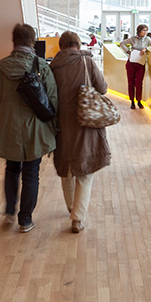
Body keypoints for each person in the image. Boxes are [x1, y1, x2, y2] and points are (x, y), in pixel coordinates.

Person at [0, 22, 57, 232]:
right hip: (35, 129)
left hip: (9, 127)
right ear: (32, 41)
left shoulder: (2, 68)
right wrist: (53, 129)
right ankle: (25, 220)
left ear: (14, 41)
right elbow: (52, 100)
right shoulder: (41, 66)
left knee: (11, 169)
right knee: (31, 173)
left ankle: (9, 212)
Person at [49, 31, 110, 233]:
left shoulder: (53, 67)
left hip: (62, 123)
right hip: (85, 121)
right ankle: (77, 217)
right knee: (85, 170)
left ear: (61, 46)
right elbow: (102, 88)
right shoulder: (87, 62)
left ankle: (70, 207)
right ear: (78, 44)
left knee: (66, 168)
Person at [123, 23, 151, 109]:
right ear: (139, 31)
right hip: (131, 63)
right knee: (131, 83)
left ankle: (139, 101)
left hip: (141, 64)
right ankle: (132, 101)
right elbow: (122, 43)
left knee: (139, 84)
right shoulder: (133, 39)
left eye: (146, 30)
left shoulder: (147, 39)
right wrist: (128, 52)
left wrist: (146, 48)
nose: (145, 32)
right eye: (144, 30)